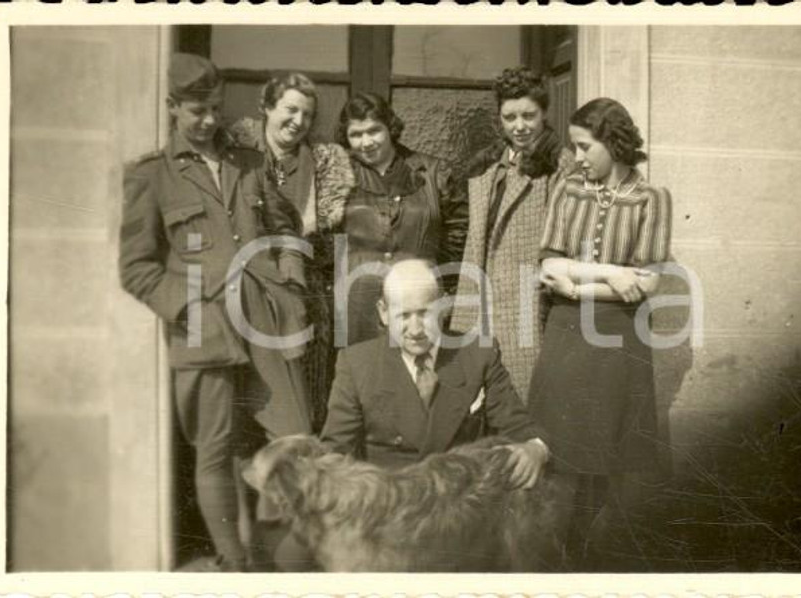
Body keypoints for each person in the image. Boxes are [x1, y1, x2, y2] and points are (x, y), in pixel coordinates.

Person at [118, 54, 311, 572]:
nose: (208, 121)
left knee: (296, 442)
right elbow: (136, 268)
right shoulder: (151, 177)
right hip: (204, 330)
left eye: (215, 110)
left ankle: (283, 560)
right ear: (173, 108)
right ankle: (236, 564)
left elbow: (285, 226)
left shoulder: (248, 162)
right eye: (196, 111)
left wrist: (289, 281)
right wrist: (188, 306)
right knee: (217, 452)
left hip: (265, 321)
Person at [527, 97, 673, 570]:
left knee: (604, 451)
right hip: (568, 332)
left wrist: (579, 280)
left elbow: (647, 282)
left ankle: (582, 555)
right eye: (574, 147)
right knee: (557, 446)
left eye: (585, 146)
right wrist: (613, 273)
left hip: (618, 338)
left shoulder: (652, 198)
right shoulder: (568, 189)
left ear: (613, 142)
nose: (578, 157)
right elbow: (548, 266)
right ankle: (548, 555)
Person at [320, 259, 548, 483]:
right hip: (393, 505)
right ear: (383, 312)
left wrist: (534, 448)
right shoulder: (357, 363)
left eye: (424, 313)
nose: (416, 329)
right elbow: (335, 454)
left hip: (460, 500)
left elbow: (518, 427)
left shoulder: (478, 354)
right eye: (404, 316)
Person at [227, 72, 354, 432]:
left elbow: (333, 245)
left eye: (308, 115)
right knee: (245, 411)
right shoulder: (238, 160)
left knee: (301, 411)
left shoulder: (322, 165)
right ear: (267, 107)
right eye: (290, 110)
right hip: (245, 296)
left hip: (302, 301)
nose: (298, 122)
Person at [449, 66, 575, 400]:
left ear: (544, 113)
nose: (519, 126)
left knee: (524, 406)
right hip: (480, 306)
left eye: (529, 116)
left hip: (529, 308)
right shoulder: (487, 168)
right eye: (509, 117)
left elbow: (564, 245)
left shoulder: (560, 167)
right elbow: (474, 247)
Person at [336, 93, 468, 347]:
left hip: (420, 302)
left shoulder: (434, 173)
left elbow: (458, 239)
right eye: (356, 134)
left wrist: (445, 289)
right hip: (358, 308)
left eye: (374, 131)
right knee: (365, 377)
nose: (366, 142)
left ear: (390, 128)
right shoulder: (338, 177)